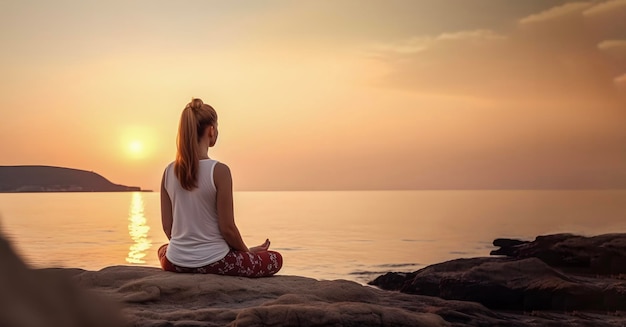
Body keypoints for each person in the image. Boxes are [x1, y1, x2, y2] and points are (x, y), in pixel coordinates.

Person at [158, 98, 282, 277]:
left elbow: (168, 227)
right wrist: (246, 252)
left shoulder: (168, 171)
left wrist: (187, 254)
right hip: (215, 262)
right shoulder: (219, 171)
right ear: (211, 130)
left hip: (174, 263)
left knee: (164, 249)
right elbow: (228, 229)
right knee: (275, 259)